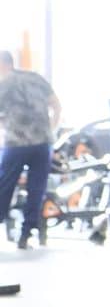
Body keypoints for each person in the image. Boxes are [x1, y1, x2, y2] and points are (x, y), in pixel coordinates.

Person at [0, 51, 61, 249]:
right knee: (37, 189)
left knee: (4, 187)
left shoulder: (4, 84)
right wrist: (50, 130)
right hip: (43, 143)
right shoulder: (36, 78)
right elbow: (57, 105)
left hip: (16, 143)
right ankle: (25, 235)